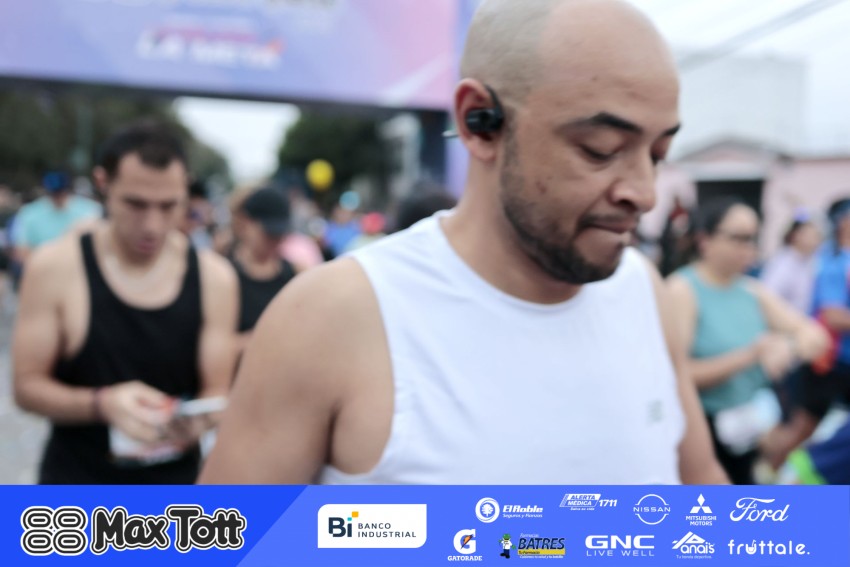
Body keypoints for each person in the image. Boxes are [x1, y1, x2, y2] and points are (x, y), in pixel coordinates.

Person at [200, 0, 729, 485]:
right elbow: (219, 537)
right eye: (601, 149)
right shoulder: (335, 317)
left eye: (657, 155)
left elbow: (702, 488)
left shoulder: (644, 293)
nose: (644, 193)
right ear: (479, 123)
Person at [12, 122, 239, 484]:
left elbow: (216, 390)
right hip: (75, 485)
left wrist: (197, 419)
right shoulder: (55, 268)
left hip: (173, 489)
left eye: (169, 206)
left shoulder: (215, 278)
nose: (152, 225)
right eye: (135, 204)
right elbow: (26, 387)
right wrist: (101, 404)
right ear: (103, 184)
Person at [667, 198, 827, 484]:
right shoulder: (683, 290)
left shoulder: (751, 291)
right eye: (739, 238)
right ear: (705, 240)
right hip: (701, 431)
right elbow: (677, 374)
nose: (749, 248)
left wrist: (786, 347)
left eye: (753, 238)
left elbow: (815, 336)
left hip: (747, 427)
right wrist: (752, 354)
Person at [762, 199, 850, 469]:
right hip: (822, 358)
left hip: (818, 351)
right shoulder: (827, 263)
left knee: (800, 425)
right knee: (800, 426)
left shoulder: (815, 261)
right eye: (809, 232)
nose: (815, 237)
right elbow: (831, 315)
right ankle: (764, 471)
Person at [228, 187, 296, 354]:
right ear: (245, 223)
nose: (275, 241)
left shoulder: (294, 273)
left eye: (280, 235)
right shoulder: (224, 275)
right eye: (269, 234)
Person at [12, 169, 102, 265]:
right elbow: (21, 251)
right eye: (54, 193)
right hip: (44, 267)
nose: (58, 197)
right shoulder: (28, 213)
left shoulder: (91, 210)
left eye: (60, 192)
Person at [760, 213, 822, 314]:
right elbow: (769, 297)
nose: (815, 241)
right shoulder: (782, 264)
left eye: (817, 236)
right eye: (810, 235)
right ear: (795, 236)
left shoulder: (812, 261)